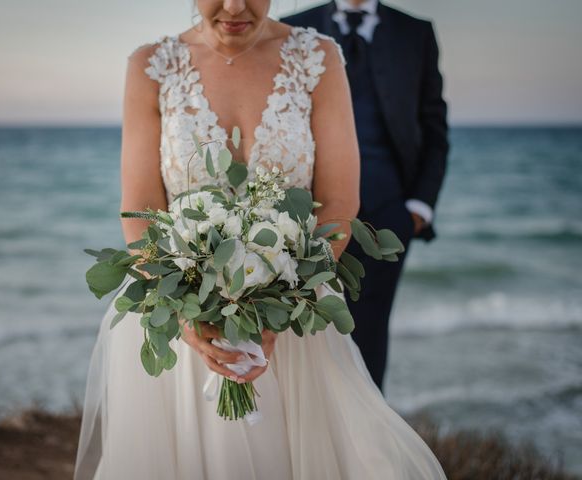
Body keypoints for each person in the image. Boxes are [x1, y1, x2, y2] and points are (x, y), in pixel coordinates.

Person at [74, 1, 446, 478]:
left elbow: (336, 204)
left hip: (295, 320)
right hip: (183, 320)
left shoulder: (319, 58)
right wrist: (186, 315)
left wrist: (284, 306)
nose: (234, 7)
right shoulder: (151, 66)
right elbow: (140, 209)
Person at [281, 0, 449, 391]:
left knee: (371, 335)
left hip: (389, 215)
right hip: (307, 217)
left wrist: (418, 208)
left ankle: (365, 442)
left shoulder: (416, 33)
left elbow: (434, 125)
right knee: (303, 332)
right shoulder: (293, 29)